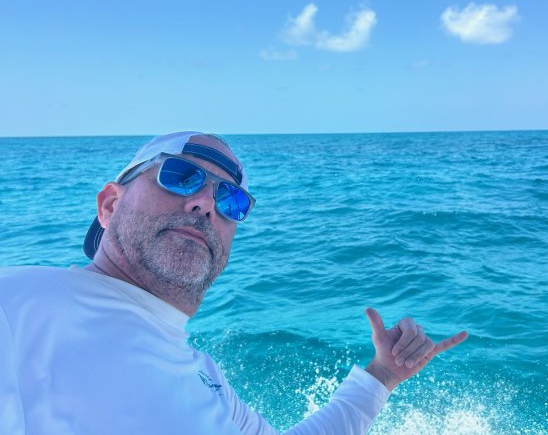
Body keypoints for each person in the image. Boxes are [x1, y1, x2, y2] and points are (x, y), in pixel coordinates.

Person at [0, 131, 467, 434]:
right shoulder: (17, 305)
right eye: (180, 176)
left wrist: (382, 376)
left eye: (231, 200)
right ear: (110, 205)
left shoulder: (208, 380)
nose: (206, 203)